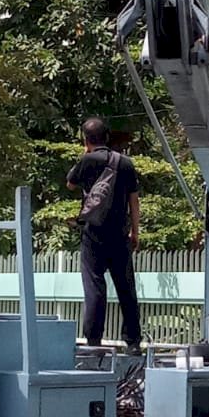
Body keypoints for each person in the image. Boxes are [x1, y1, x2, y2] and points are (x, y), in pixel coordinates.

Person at [66, 117, 143, 355]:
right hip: (119, 234)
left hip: (93, 233)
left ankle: (93, 341)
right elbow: (134, 200)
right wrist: (135, 230)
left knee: (94, 287)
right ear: (107, 137)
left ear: (86, 139)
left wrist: (85, 155)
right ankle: (132, 342)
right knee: (126, 288)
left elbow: (70, 184)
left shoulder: (86, 160)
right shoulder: (125, 163)